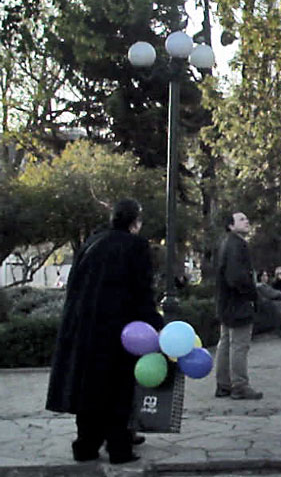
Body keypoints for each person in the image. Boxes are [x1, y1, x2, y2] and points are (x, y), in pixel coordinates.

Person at [46, 199, 164, 465]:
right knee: (118, 390)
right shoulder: (135, 246)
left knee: (90, 390)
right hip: (119, 331)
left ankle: (85, 445)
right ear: (135, 222)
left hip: (84, 329)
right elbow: (141, 291)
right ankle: (119, 447)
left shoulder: (91, 243)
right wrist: (155, 323)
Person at [214, 212, 262, 400]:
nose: (247, 221)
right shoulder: (238, 245)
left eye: (246, 218)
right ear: (231, 226)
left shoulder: (226, 244)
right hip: (238, 302)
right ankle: (240, 385)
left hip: (226, 302)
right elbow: (237, 277)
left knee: (225, 343)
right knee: (239, 345)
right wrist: (251, 294)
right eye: (241, 219)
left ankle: (223, 384)